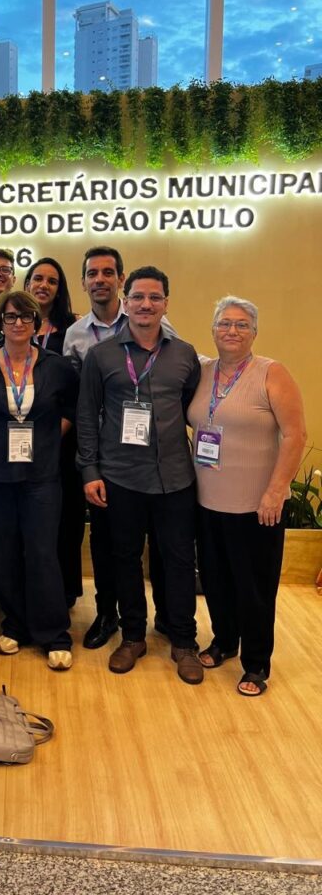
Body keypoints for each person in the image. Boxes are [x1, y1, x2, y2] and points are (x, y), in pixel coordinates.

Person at [77, 266, 203, 684]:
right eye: (138, 297)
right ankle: (132, 636)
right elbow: (87, 418)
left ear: (166, 303)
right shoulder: (102, 356)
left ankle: (184, 641)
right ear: (125, 301)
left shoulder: (185, 354)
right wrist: (90, 470)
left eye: (155, 297)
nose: (146, 305)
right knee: (124, 560)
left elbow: (190, 410)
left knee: (180, 561)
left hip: (175, 480)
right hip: (120, 478)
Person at [187, 296, 306, 697]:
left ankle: (255, 663)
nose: (232, 331)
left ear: (254, 332)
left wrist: (276, 491)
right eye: (224, 324)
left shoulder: (272, 373)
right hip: (207, 502)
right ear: (213, 329)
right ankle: (223, 641)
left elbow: (295, 435)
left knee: (254, 588)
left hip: (258, 507)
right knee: (217, 580)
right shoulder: (202, 372)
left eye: (241, 324)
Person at [0, 290, 79, 671]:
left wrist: (46, 437)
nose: (18, 324)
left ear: (36, 323)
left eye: (26, 317)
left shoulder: (56, 367)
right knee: (4, 553)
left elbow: (73, 409)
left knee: (42, 551)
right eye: (10, 317)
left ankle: (54, 633)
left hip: (41, 477)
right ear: (0, 323)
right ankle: (17, 625)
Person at [63, 246, 168, 651]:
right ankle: (108, 615)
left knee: (152, 543)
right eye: (93, 273)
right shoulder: (74, 336)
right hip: (100, 453)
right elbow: (77, 399)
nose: (100, 279)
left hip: (144, 456)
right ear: (85, 281)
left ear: (121, 280)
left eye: (109, 272)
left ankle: (163, 620)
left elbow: (179, 369)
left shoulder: (154, 321)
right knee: (106, 542)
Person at [24, 257, 83, 608]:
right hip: (18, 443)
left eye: (51, 281)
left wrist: (50, 438)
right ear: (27, 283)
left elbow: (74, 394)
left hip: (61, 440)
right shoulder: (14, 326)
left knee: (67, 516)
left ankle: (66, 590)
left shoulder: (71, 330)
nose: (43, 285)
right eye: (37, 278)